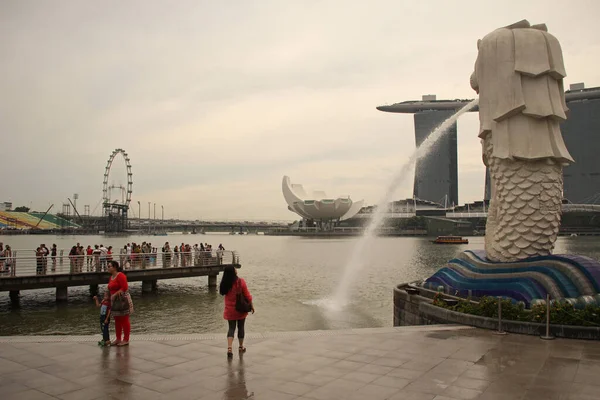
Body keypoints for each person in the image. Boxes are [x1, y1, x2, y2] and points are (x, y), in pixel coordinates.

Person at [219, 265, 254, 358]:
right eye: (235, 268)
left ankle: (229, 348)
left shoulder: (225, 283)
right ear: (233, 271)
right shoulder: (240, 281)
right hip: (240, 310)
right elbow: (247, 295)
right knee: (241, 327)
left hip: (229, 310)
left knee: (231, 328)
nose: (236, 269)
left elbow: (223, 293)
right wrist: (251, 305)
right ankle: (241, 347)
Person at [107, 260, 133, 346]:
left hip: (122, 300)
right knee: (117, 319)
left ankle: (126, 339)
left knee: (124, 319)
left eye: (109, 266)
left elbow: (125, 287)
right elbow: (109, 288)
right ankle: (118, 338)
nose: (108, 268)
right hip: (114, 301)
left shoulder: (121, 276)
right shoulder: (111, 277)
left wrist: (115, 294)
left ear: (114, 267)